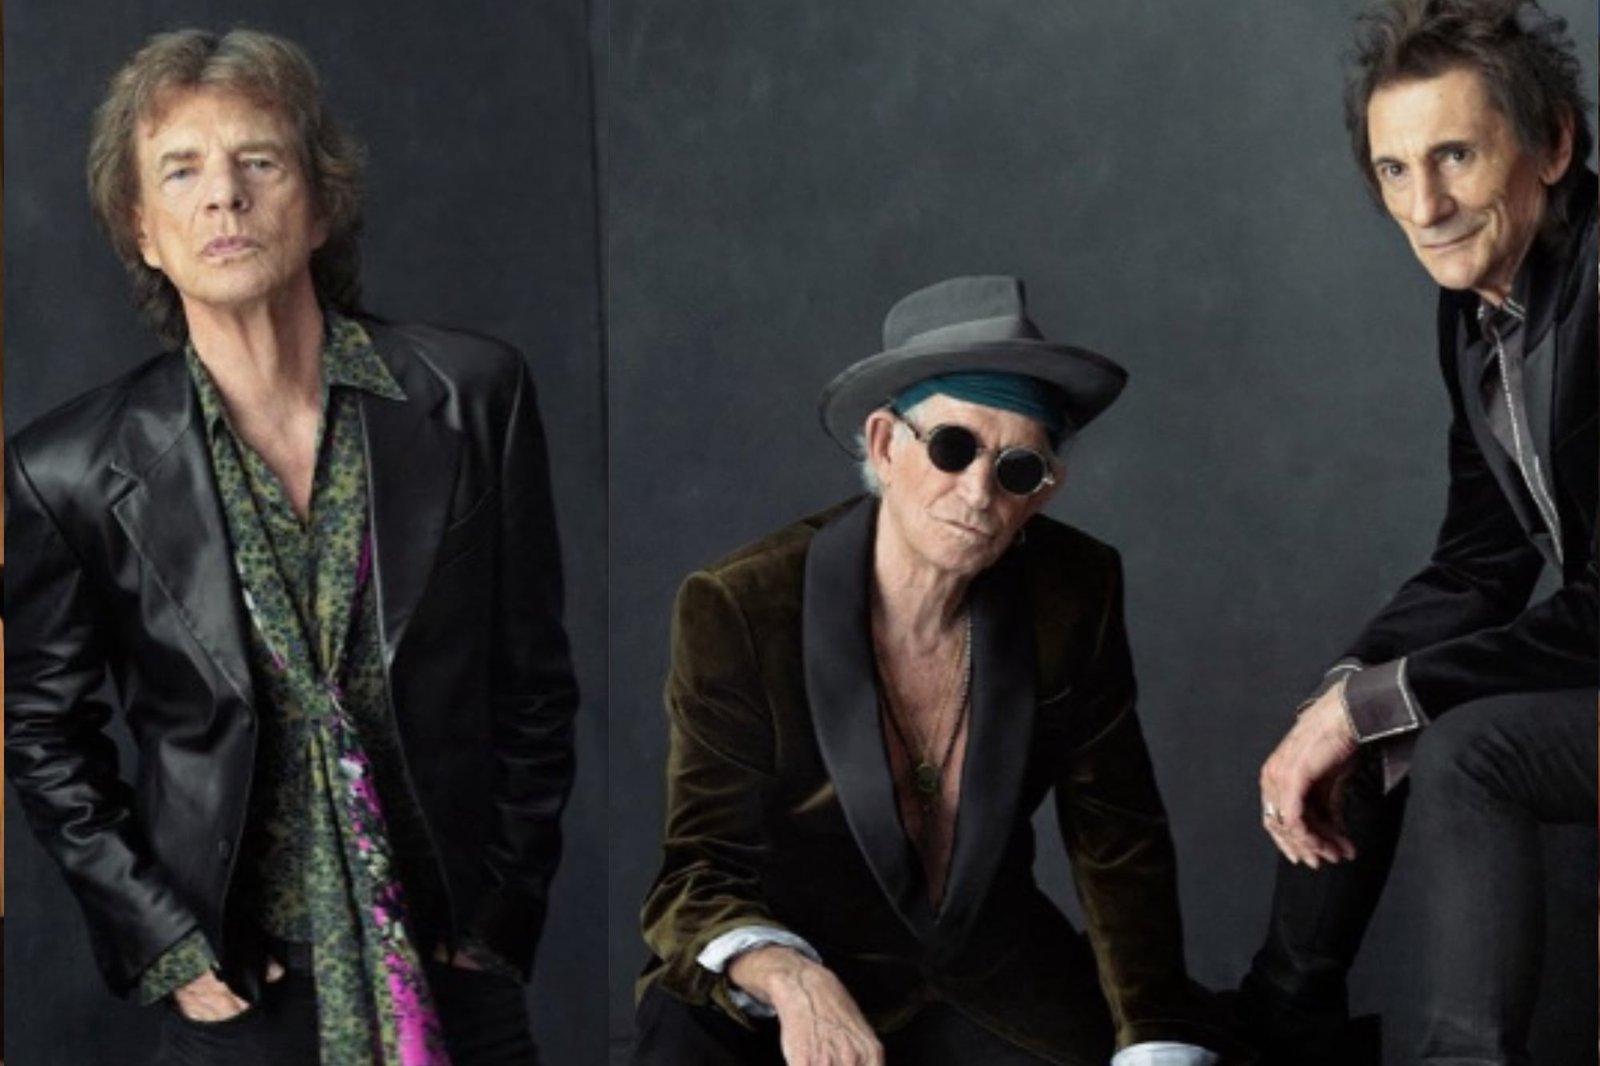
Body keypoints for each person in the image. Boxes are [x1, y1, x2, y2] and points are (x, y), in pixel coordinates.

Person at [4, 28, 579, 1066]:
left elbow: (533, 682)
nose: (223, 197)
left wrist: (498, 914)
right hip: (237, 988)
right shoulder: (68, 467)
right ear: (142, 229)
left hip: (452, 970)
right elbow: (44, 732)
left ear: (319, 203)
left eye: (258, 161)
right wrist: (167, 943)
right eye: (181, 170)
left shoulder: (472, 396)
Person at [633, 275, 1234, 1066]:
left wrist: (1152, 1036)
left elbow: (1117, 838)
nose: (979, 493)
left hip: (993, 973)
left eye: (1018, 468)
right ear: (886, 445)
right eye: (953, 448)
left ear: (1045, 489)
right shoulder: (741, 604)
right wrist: (792, 978)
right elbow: (698, 869)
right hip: (792, 962)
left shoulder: (1074, 590)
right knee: (683, 1031)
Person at [1242, 1, 1596, 1063]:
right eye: (1394, 170)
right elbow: (1480, 559)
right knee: (1365, 707)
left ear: (1553, 145)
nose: (1425, 206)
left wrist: (1379, 701)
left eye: (1455, 156)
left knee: (1466, 747)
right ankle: (1281, 1026)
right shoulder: (1480, 302)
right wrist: (1349, 691)